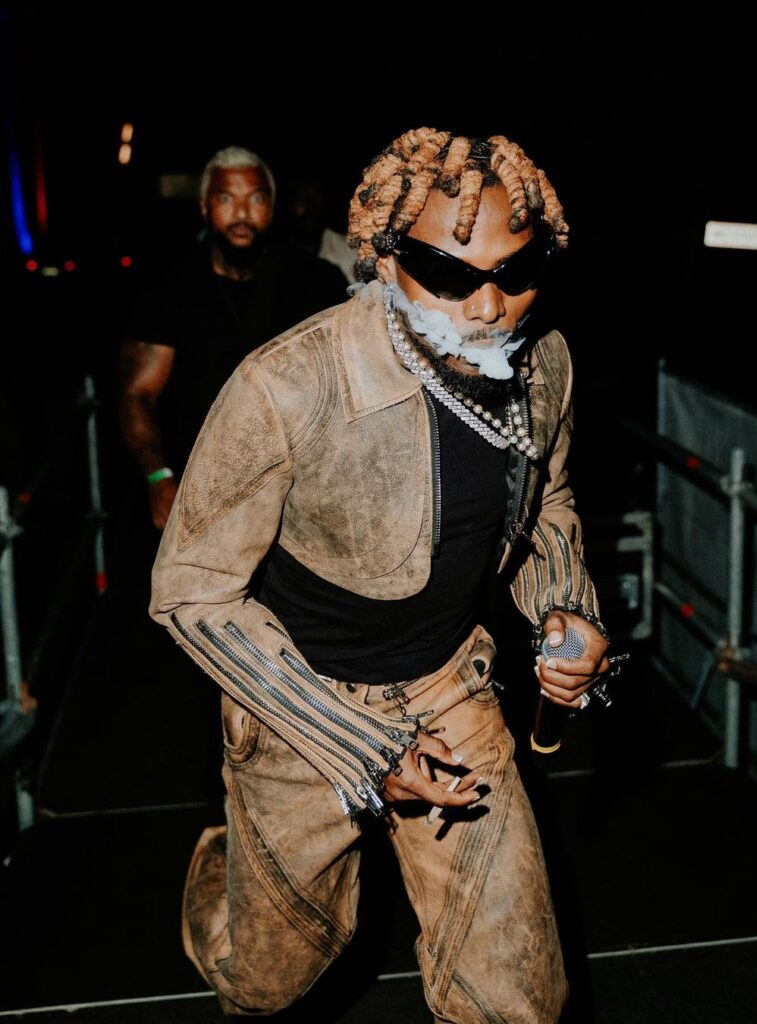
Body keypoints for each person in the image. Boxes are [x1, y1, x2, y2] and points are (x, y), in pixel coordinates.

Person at [150, 127, 611, 1022]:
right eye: (447, 275)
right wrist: (366, 751)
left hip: (448, 685)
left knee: (516, 995)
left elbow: (547, 500)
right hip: (300, 703)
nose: (488, 306)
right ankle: (225, 874)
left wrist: (563, 607)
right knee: (271, 979)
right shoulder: (285, 384)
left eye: (517, 273)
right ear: (386, 257)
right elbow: (192, 591)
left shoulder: (542, 365)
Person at [118, 146, 347, 530]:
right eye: (226, 199)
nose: (241, 214)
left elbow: (346, 385)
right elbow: (138, 393)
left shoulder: (317, 282)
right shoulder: (168, 290)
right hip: (199, 496)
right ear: (205, 207)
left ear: (272, 208)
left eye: (255, 199)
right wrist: (158, 476)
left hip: (298, 496)